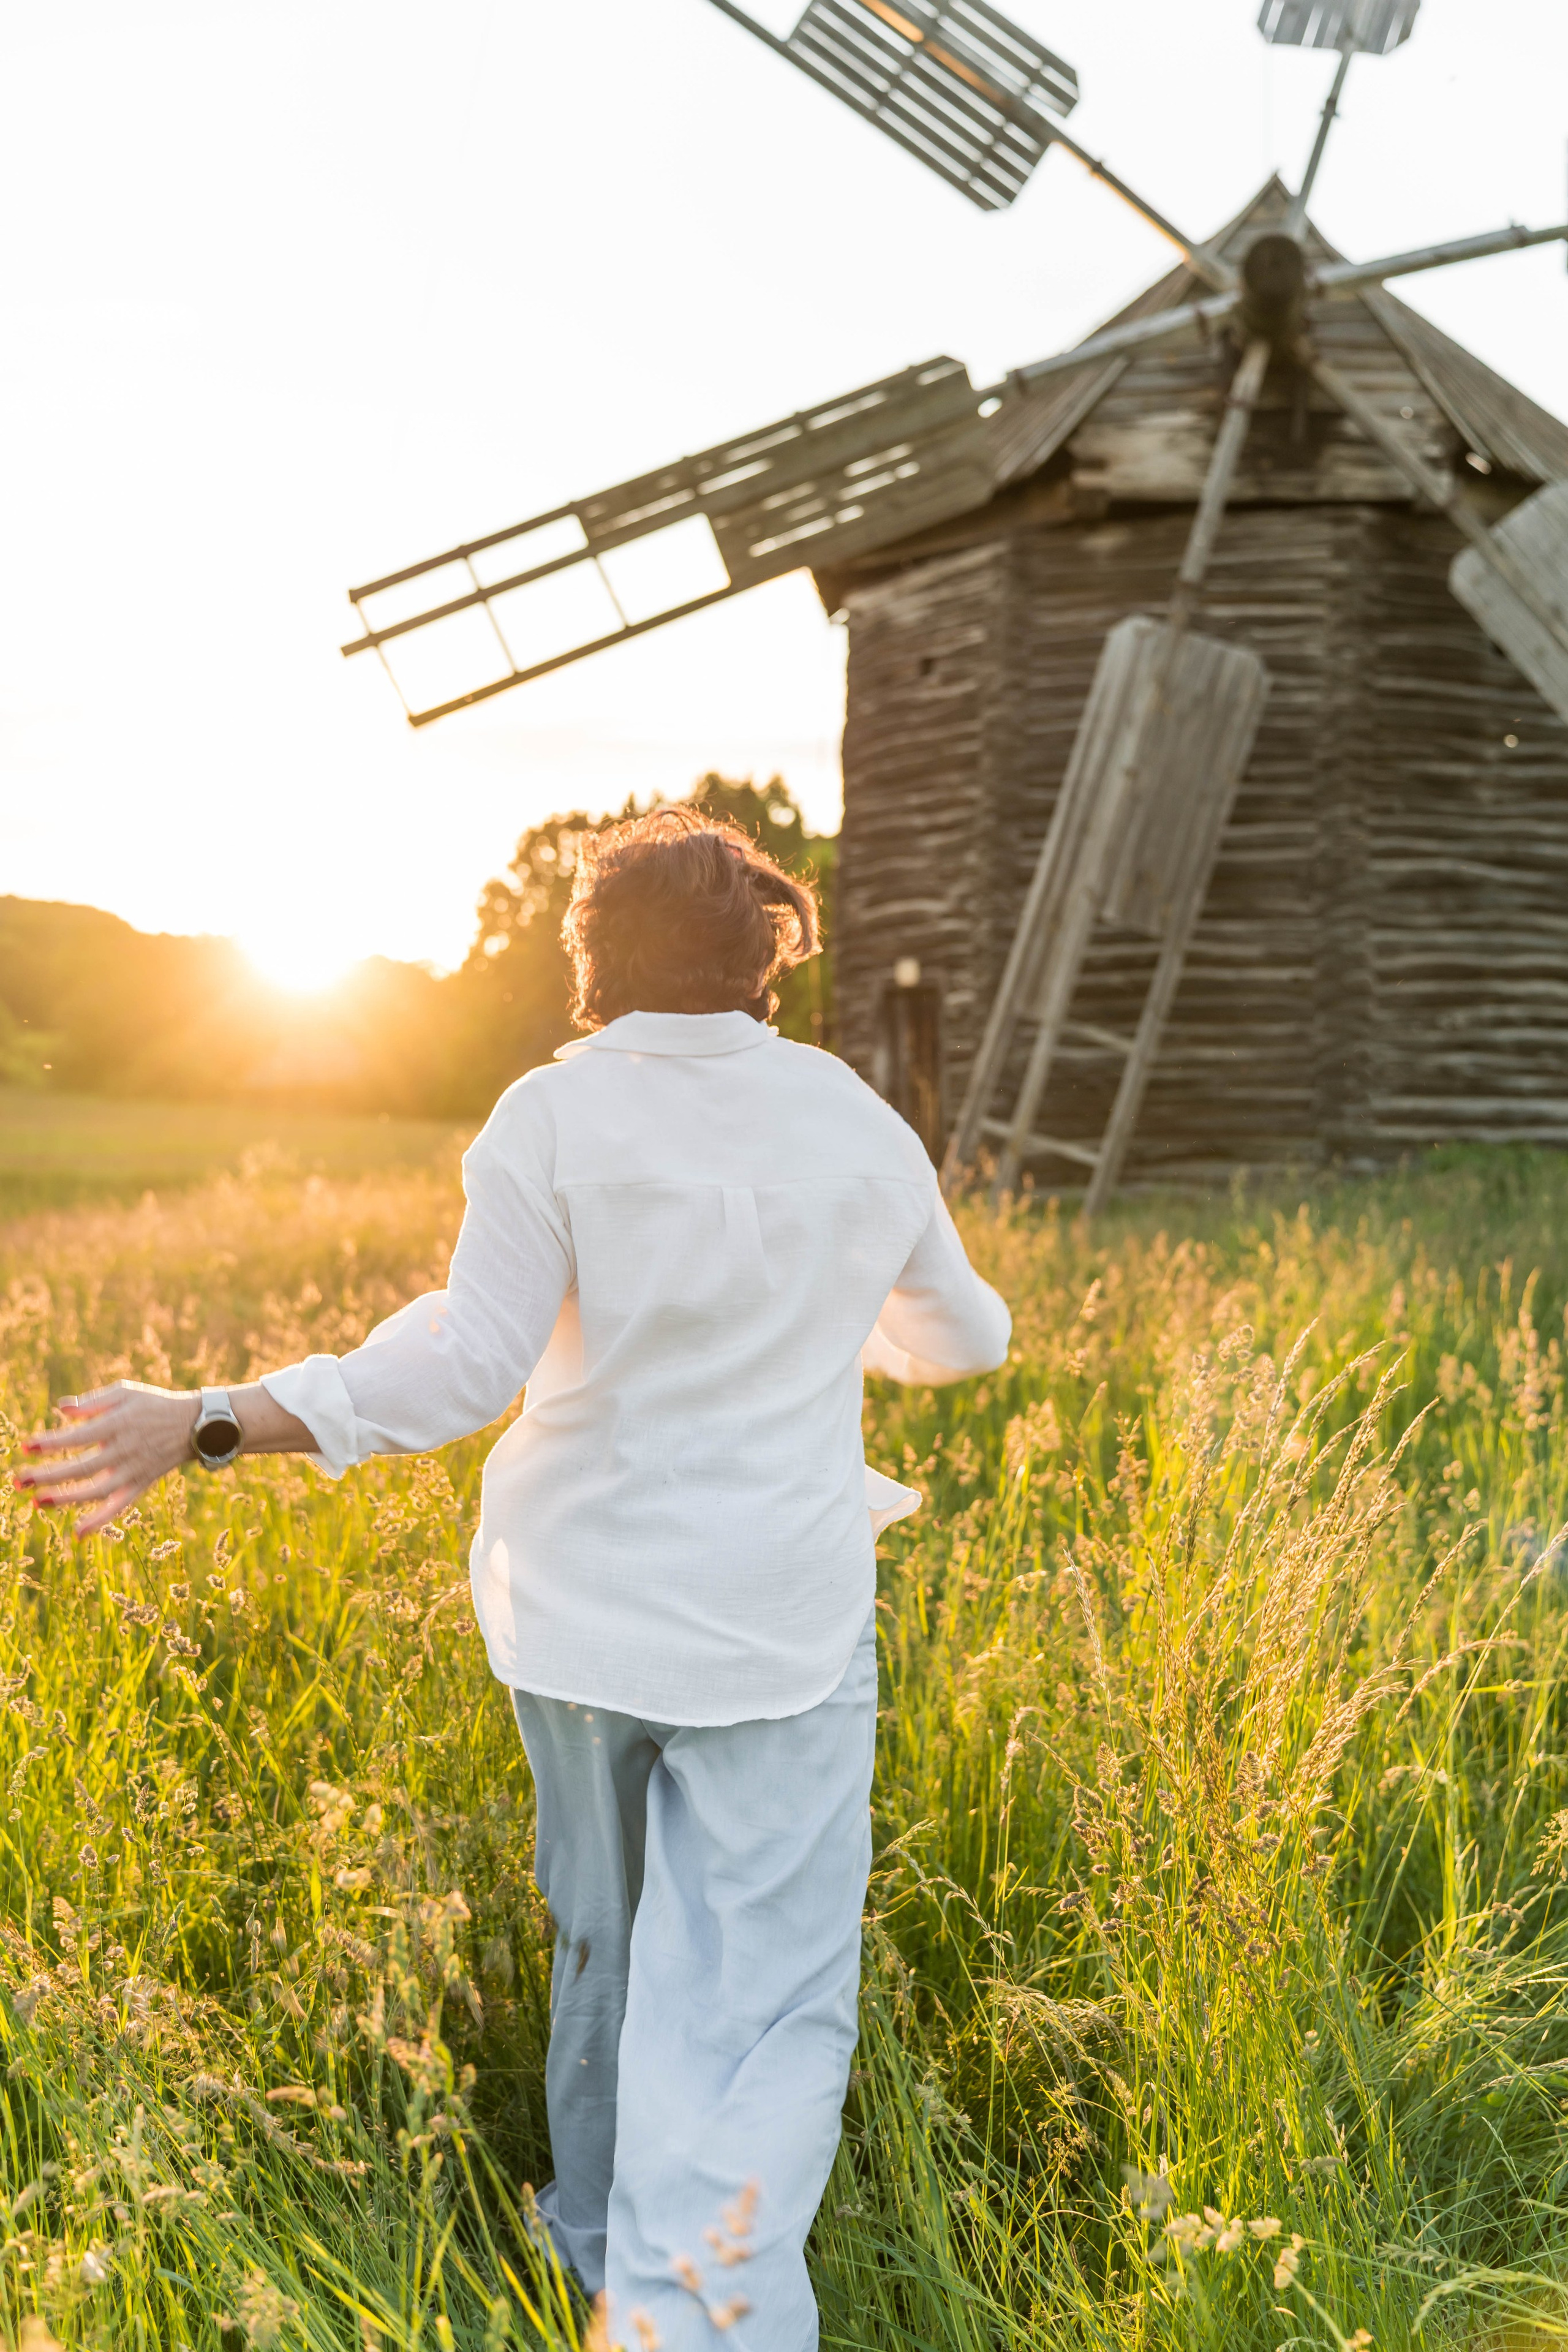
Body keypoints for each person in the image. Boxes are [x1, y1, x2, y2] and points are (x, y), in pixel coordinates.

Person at [15, 807, 1009, 2351]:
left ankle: (598, 2243)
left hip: (580, 1614)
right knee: (749, 2012)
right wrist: (832, 1313)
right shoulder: (855, 1121)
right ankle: (709, 2318)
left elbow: (465, 1365)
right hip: (783, 1626)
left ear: (591, 965)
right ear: (769, 962)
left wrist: (207, 1420)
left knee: (609, 1938)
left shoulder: (549, 1116)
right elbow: (966, 1341)